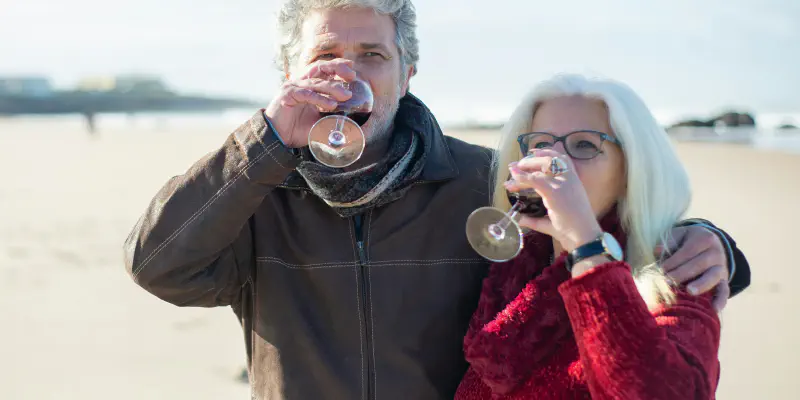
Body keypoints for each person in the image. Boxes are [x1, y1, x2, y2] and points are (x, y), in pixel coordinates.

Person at [123, 1, 750, 398]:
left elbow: (609, 217)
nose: (349, 75)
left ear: (407, 73)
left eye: (373, 55)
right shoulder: (253, 194)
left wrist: (708, 241)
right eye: (324, 56)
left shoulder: (485, 181)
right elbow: (158, 267)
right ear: (290, 75)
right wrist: (263, 141)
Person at [456, 74, 725, 399]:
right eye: (541, 144)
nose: (553, 165)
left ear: (631, 170)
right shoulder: (512, 268)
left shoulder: (676, 274)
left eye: (584, 144)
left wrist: (586, 246)